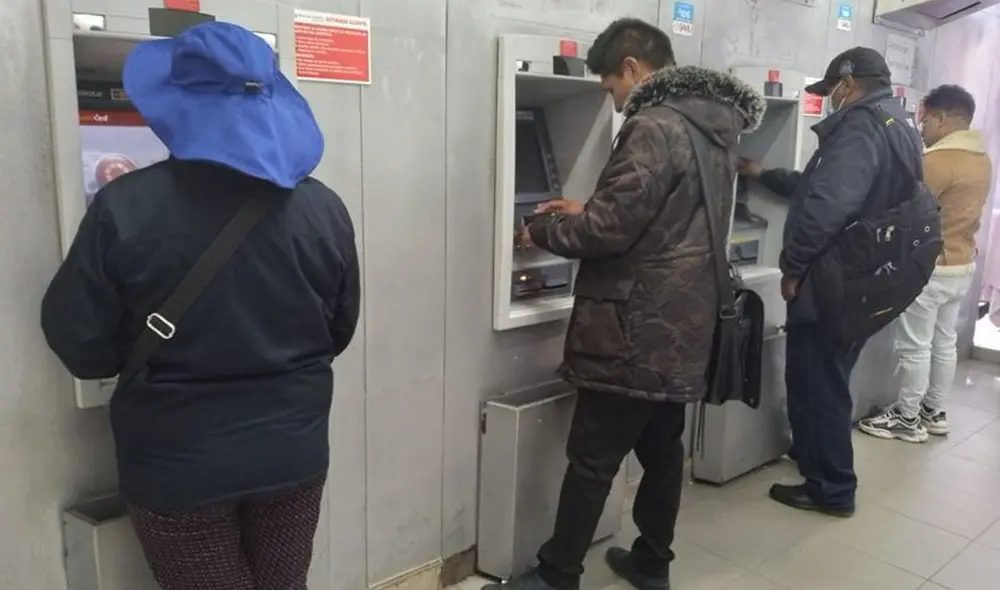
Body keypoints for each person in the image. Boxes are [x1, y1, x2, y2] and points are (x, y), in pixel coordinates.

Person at [40, 22, 359, 590]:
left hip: (178, 464)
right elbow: (338, 329)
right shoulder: (324, 209)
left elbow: (83, 348)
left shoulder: (125, 207)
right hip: (292, 450)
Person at [485, 18, 764, 590]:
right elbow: (662, 217)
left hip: (633, 328)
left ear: (634, 69)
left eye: (611, 85)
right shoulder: (713, 129)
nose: (612, 99)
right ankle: (651, 561)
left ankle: (556, 574)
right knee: (662, 449)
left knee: (592, 458)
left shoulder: (654, 125)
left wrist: (541, 230)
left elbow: (608, 233)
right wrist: (584, 209)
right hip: (685, 323)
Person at [740, 47, 923, 517]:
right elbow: (826, 185)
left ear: (848, 83)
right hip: (868, 278)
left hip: (833, 278)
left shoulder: (860, 126)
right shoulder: (895, 123)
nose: (828, 101)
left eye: (831, 91)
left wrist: (794, 266)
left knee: (818, 380)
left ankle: (832, 488)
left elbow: (828, 205)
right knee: (828, 375)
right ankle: (815, 456)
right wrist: (767, 176)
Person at [859, 85, 992, 443]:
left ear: (942, 119)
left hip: (928, 267)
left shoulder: (936, 161)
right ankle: (933, 411)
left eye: (925, 119)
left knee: (914, 346)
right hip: (962, 263)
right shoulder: (982, 158)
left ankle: (906, 418)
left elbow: (904, 209)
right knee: (944, 342)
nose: (922, 127)